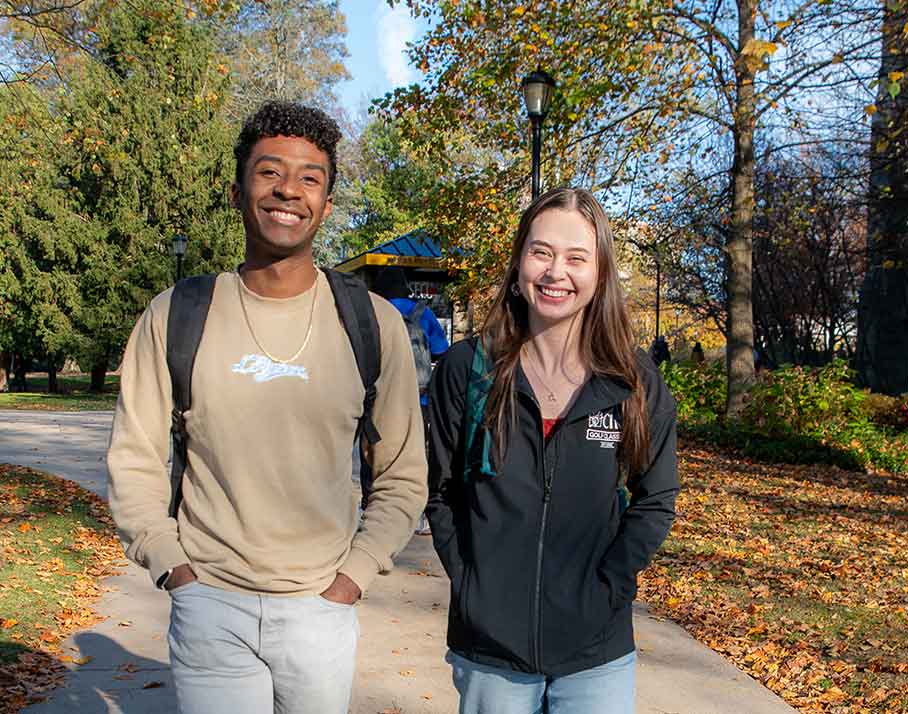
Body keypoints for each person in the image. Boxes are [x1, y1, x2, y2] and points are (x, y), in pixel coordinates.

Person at [107, 101, 427, 714]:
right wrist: (173, 567)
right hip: (210, 607)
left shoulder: (372, 323)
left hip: (321, 609)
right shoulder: (177, 314)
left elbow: (403, 474)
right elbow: (135, 459)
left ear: (327, 204)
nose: (289, 190)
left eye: (310, 177)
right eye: (269, 171)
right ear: (237, 191)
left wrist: (354, 575)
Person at [425, 188, 679, 713]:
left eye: (576, 258)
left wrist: (610, 586)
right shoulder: (467, 370)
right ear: (519, 262)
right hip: (490, 651)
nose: (555, 272)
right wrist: (474, 584)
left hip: (596, 653)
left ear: (601, 273)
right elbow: (438, 492)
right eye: (541, 252)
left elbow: (656, 497)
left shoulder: (632, 381)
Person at [370, 265, 449, 534]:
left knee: (373, 450)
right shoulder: (421, 313)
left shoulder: (373, 310)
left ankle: (369, 511)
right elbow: (440, 351)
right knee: (417, 453)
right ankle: (417, 515)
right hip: (419, 399)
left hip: (377, 397)